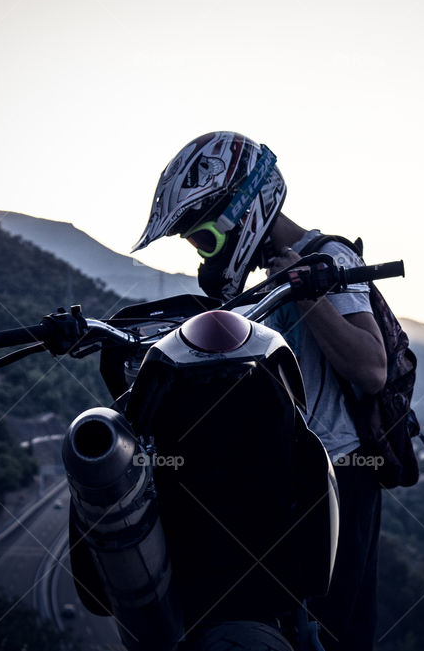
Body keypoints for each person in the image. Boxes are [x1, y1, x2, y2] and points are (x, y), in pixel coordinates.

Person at [132, 131, 385, 651]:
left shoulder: (328, 256)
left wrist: (306, 287)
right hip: (269, 480)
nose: (201, 255)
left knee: (336, 635)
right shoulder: (252, 281)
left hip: (336, 475)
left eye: (203, 238)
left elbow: (372, 366)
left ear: (241, 212)